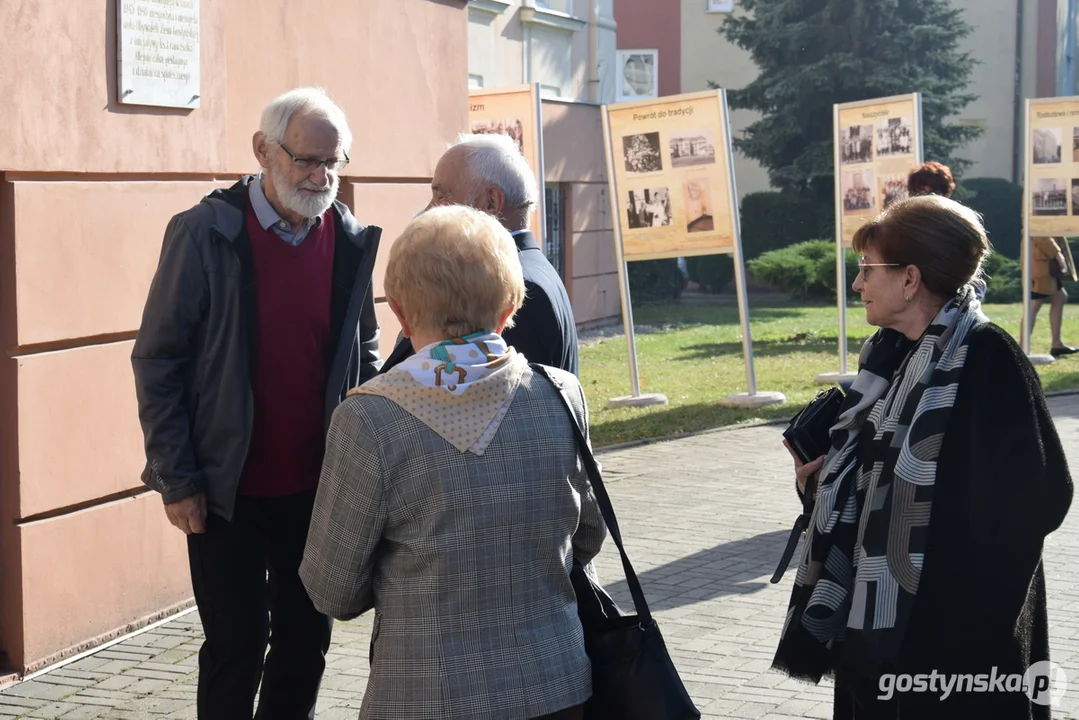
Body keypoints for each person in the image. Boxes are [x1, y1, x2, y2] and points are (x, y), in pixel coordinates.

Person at [131, 86, 383, 719]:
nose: (321, 176)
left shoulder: (349, 241)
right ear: (263, 151)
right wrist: (176, 478)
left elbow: (365, 353)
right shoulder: (204, 234)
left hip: (317, 491)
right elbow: (157, 359)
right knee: (235, 648)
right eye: (307, 160)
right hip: (224, 492)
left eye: (334, 161)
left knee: (306, 645)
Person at [299, 204, 606, 720]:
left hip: (425, 696)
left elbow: (333, 590)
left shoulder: (369, 418)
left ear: (398, 311)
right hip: (556, 687)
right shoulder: (562, 394)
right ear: (510, 307)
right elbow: (587, 537)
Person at [773, 195, 1073, 719]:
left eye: (867, 269)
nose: (856, 284)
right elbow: (878, 474)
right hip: (882, 635)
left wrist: (947, 576)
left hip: (951, 648)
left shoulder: (987, 358)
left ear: (910, 279)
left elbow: (1042, 496)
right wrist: (822, 485)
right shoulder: (892, 356)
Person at [380, 132, 579, 376]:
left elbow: (496, 401)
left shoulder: (510, 284)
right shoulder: (521, 269)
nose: (430, 209)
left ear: (491, 202)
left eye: (442, 195)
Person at [1031, 235, 1079, 357]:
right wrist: (1057, 254)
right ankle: (1022, 346)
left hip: (1044, 263)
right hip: (1042, 263)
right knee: (1034, 303)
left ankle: (1056, 344)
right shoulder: (1038, 216)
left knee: (1060, 296)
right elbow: (1041, 235)